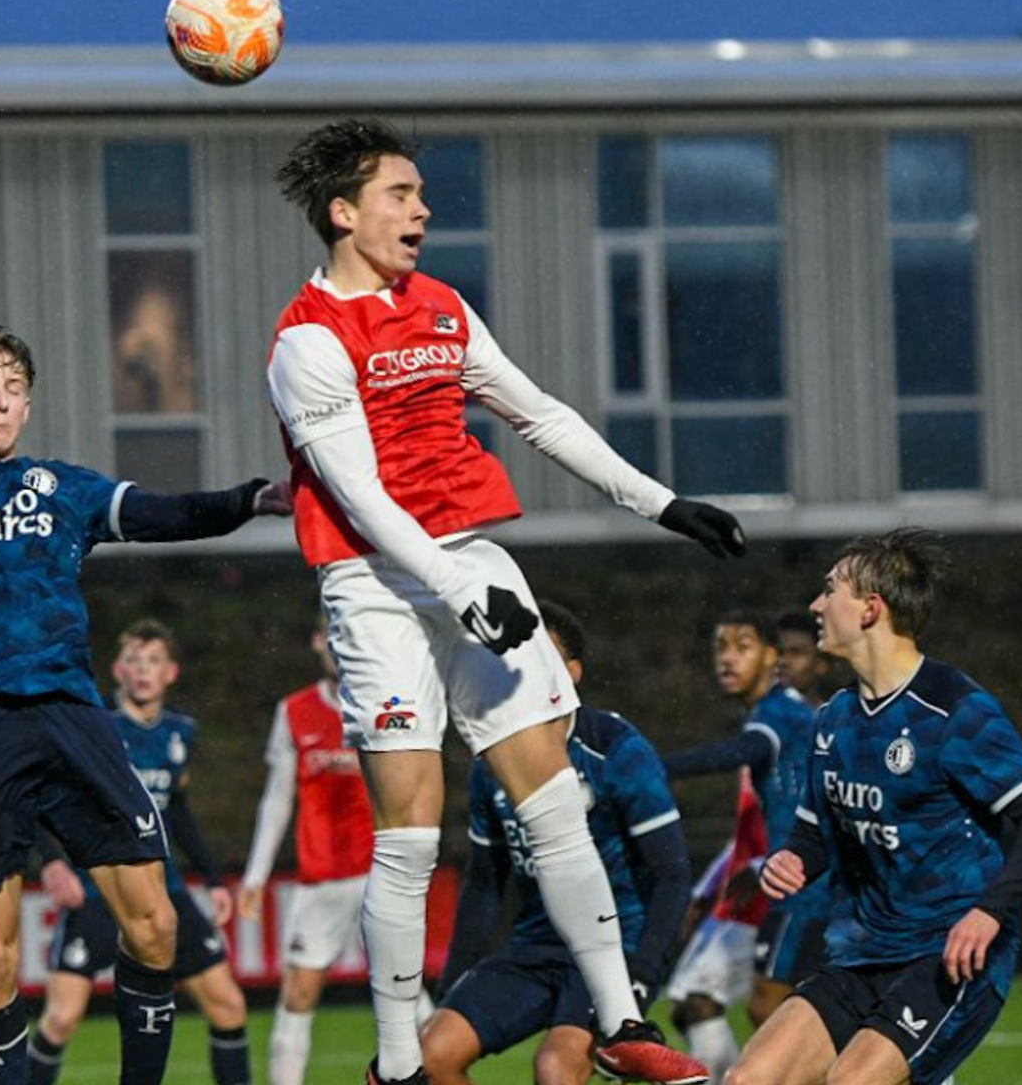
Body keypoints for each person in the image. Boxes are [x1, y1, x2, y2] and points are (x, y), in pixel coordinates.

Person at [266, 117, 738, 1085]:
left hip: (466, 555)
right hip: (373, 583)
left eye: (420, 194)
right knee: (410, 832)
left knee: (553, 796)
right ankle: (400, 1061)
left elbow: (539, 413)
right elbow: (358, 495)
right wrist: (454, 592)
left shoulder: (442, 306)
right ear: (343, 212)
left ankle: (618, 1019)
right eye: (400, 194)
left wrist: (659, 502)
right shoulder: (306, 340)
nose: (422, 210)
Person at [0, 322, 287, 1085]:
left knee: (155, 924)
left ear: (27, 405)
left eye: (14, 388)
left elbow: (166, 514)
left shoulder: (63, 489)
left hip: (71, 717)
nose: (0, 401)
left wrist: (251, 498)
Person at [738, 529, 1022, 1085]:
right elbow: (813, 835)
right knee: (747, 1079)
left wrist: (989, 912)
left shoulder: (954, 710)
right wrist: (792, 858)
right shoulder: (834, 717)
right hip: (857, 955)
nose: (816, 605)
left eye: (829, 591)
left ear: (871, 608)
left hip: (947, 956)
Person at [421, 602, 692, 1085]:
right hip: (536, 945)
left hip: (615, 944)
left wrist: (643, 972)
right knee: (431, 1055)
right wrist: (451, 985)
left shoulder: (616, 748)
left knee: (555, 1066)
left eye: (539, 657)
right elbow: (484, 884)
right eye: (512, 658)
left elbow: (671, 874)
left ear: (572, 674)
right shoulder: (490, 762)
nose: (521, 669)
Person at [27, 620, 251, 1085]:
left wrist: (212, 878)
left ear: (171, 672)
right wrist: (52, 861)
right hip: (99, 889)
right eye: (134, 660)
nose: (143, 670)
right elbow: (43, 797)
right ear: (118, 670)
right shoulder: (94, 727)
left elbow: (177, 810)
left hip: (164, 891)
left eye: (153, 661)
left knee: (228, 1005)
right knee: (62, 1018)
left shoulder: (180, 733)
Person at [659, 609, 836, 1078]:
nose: (728, 659)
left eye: (742, 647)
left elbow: (744, 751)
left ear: (771, 657)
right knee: (750, 1008)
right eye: (721, 647)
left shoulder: (780, 715)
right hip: (789, 882)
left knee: (773, 1010)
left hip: (808, 888)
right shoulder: (778, 714)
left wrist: (654, 766)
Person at [237, 615, 377, 1085]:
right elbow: (277, 799)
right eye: (333, 636)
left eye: (349, 636)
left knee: (406, 994)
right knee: (297, 995)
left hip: (381, 874)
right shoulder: (295, 711)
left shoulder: (384, 704)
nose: (340, 646)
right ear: (318, 642)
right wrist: (256, 876)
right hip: (320, 880)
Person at [775, 610, 838, 707]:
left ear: (821, 664)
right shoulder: (755, 712)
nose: (782, 661)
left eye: (795, 653)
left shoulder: (843, 714)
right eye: (779, 652)